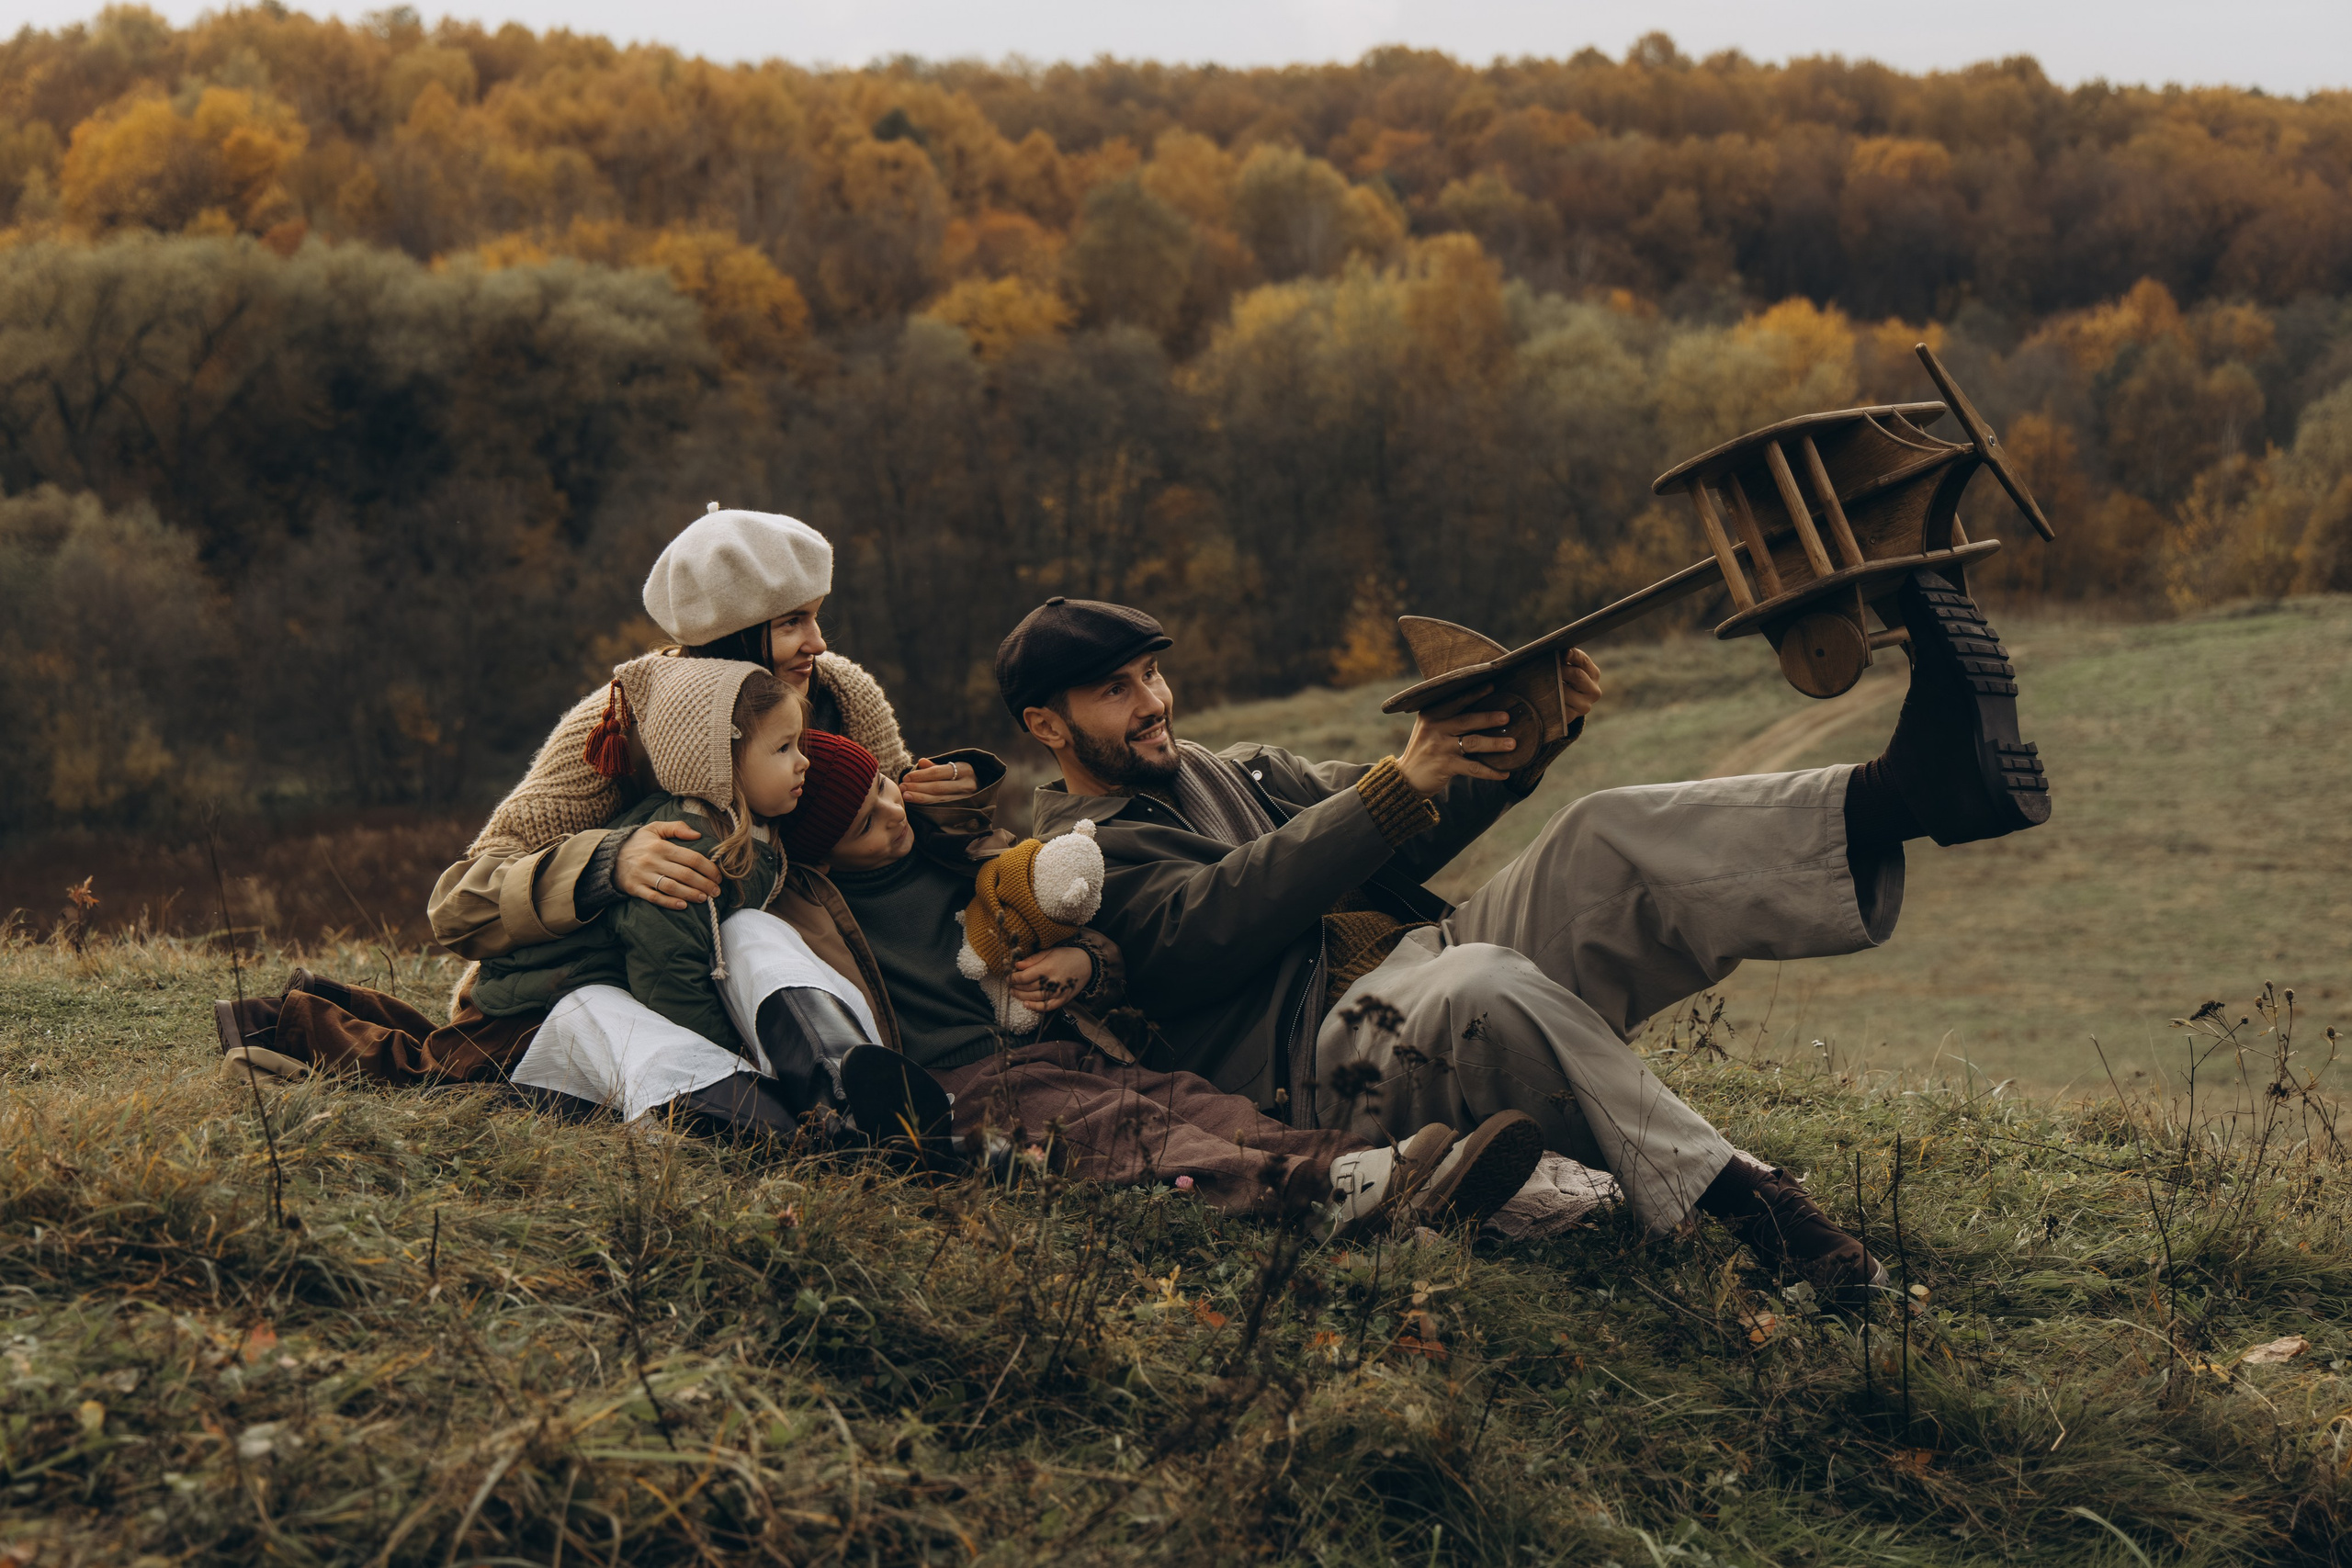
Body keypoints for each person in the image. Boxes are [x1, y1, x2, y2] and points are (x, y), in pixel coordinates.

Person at [998, 571, 2054, 1291]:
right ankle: (1754, 1206)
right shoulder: (1078, 856)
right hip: (1322, 1064)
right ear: (1048, 727)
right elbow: (1205, 931)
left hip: (1419, 961)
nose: (1151, 702)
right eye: (1114, 691)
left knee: (1601, 833)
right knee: (1481, 986)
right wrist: (1388, 783)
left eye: (1151, 675)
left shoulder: (1237, 769)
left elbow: (1387, 835)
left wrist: (1517, 748)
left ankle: (1910, 791)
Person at [215, 504, 975, 1083]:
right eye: (792, 624)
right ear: (731, 637)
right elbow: (462, 900)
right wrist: (611, 860)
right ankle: (295, 1024)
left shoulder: (841, 692)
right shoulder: (616, 723)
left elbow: (886, 833)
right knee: (493, 1082)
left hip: (779, 966)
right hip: (610, 968)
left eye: (816, 616)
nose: (819, 643)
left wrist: (943, 799)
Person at [778, 728, 1544, 1227]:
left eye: (882, 786)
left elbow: (1091, 933)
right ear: (819, 855)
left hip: (1062, 1047)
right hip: (963, 1083)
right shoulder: (807, 906)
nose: (891, 812)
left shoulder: (958, 855)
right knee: (1133, 1135)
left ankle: (1382, 1171)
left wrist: (1085, 963)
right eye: (863, 823)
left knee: (1197, 1103)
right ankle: (1323, 1196)